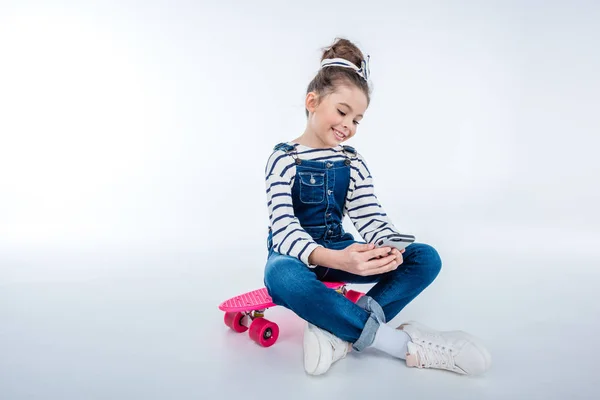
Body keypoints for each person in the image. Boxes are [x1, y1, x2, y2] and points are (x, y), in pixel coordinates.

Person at [263, 37, 491, 376]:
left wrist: (387, 245)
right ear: (312, 101)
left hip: (340, 247)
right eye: (342, 112)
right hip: (296, 255)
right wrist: (331, 257)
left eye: (357, 120)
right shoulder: (282, 159)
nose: (348, 126)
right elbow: (282, 228)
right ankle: (400, 345)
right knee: (279, 276)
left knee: (424, 257)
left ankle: (336, 334)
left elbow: (369, 213)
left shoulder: (353, 162)